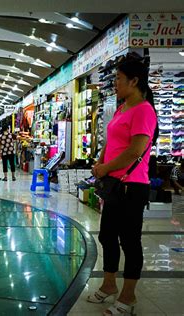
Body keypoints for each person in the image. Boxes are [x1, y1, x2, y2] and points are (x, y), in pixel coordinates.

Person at [89, 56, 158, 315]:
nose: (115, 83)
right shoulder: (122, 108)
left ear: (134, 80)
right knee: (107, 236)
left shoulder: (144, 110)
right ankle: (109, 285)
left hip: (132, 186)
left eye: (118, 78)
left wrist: (107, 167)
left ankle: (128, 297)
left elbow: (135, 150)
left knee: (130, 241)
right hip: (114, 184)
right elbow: (111, 141)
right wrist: (100, 161)